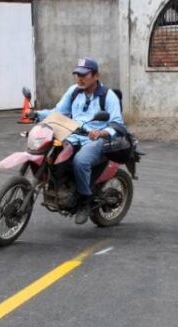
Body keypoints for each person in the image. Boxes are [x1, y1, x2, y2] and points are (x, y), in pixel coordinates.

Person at [33, 57, 124, 225]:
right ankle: (60, 186)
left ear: (96, 76)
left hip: (96, 140)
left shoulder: (108, 96)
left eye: (84, 75)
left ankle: (85, 201)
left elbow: (118, 124)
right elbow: (58, 112)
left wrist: (102, 132)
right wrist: (37, 114)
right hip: (72, 135)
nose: (79, 78)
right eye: (77, 75)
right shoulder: (74, 91)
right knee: (50, 152)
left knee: (80, 161)